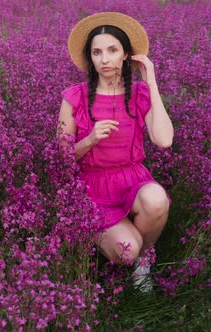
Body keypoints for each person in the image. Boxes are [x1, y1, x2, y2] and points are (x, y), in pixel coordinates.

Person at [58, 12, 174, 292]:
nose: (105, 59)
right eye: (97, 52)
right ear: (90, 58)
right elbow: (60, 159)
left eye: (112, 50)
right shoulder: (74, 97)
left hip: (132, 180)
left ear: (126, 56)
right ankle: (106, 240)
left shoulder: (139, 94)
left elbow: (164, 139)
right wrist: (90, 140)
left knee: (157, 198)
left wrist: (151, 82)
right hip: (92, 186)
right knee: (125, 250)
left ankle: (144, 260)